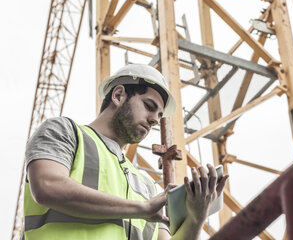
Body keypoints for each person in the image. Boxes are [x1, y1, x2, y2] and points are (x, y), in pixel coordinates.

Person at [23, 64, 228, 240]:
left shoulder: (147, 187)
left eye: (158, 115)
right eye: (149, 106)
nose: (155, 119)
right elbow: (48, 186)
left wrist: (197, 216)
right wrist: (143, 209)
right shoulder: (66, 132)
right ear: (118, 95)